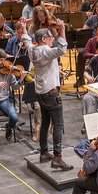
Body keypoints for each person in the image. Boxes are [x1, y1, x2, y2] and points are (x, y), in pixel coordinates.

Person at [31, 27, 70, 170]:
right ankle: (58, 158)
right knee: (58, 124)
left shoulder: (32, 50)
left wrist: (23, 29)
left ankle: (44, 153)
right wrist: (62, 30)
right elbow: (62, 49)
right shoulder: (46, 51)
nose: (52, 39)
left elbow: (26, 39)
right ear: (43, 39)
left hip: (40, 92)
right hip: (51, 92)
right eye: (49, 37)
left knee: (46, 122)